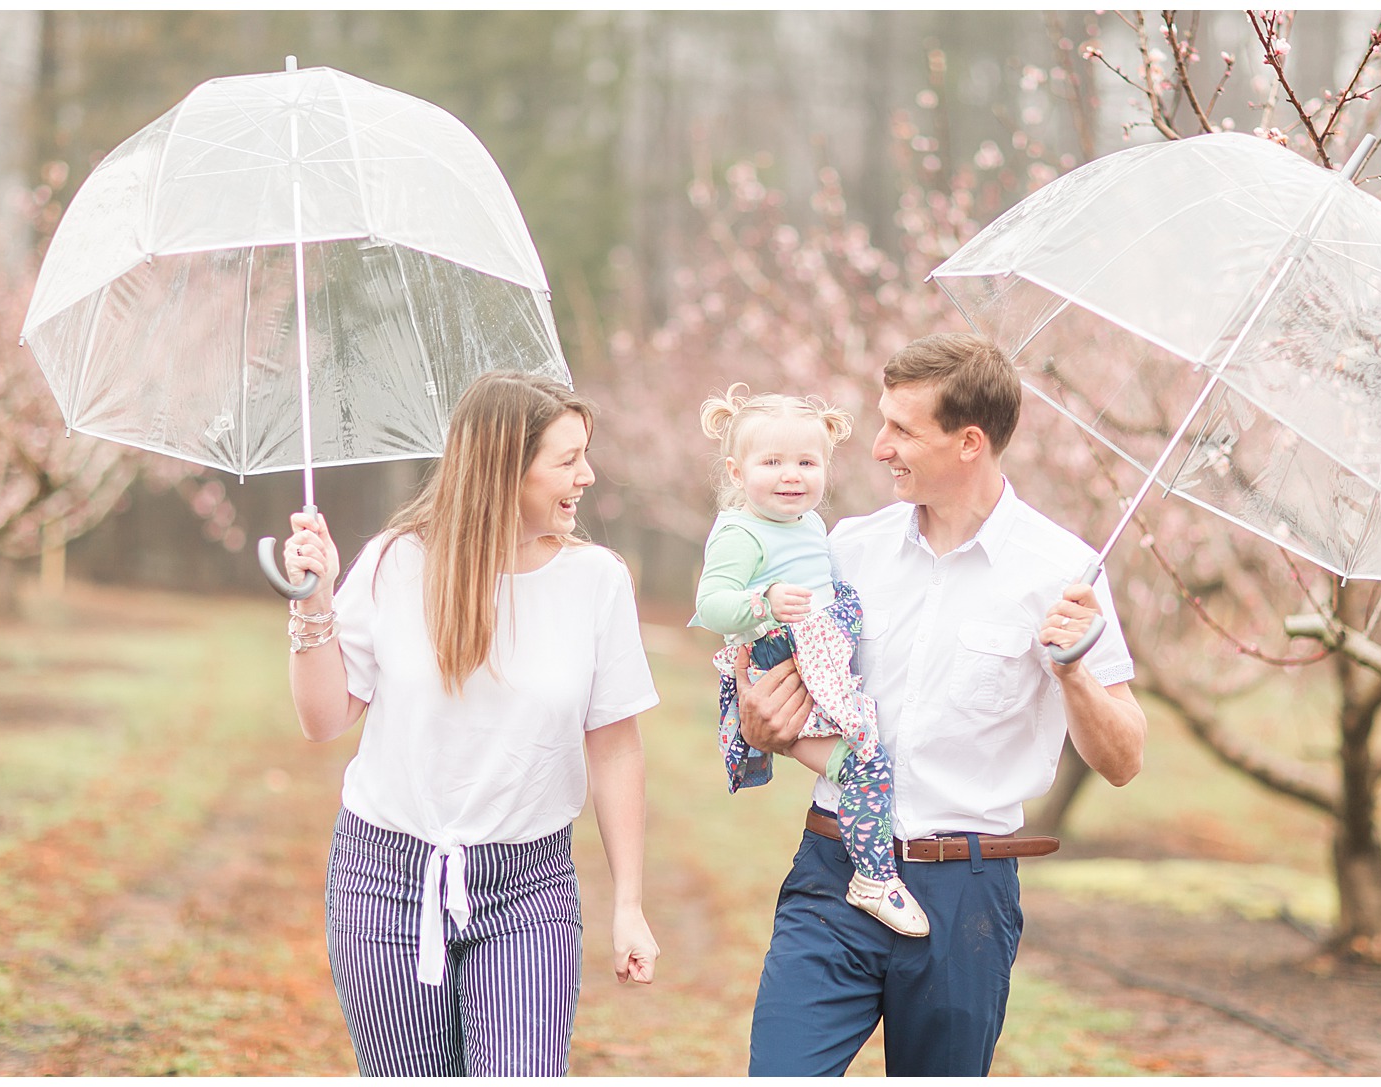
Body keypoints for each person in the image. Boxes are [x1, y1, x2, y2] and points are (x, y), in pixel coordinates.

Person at [736, 333, 1147, 1077]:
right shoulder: (848, 548)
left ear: (969, 442)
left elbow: (1124, 759)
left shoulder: (1062, 573)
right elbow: (779, 687)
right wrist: (759, 723)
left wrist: (1076, 673)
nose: (878, 446)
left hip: (967, 898)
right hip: (834, 870)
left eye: (901, 429)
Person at [280, 370, 661, 1077]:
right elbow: (323, 717)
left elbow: (615, 749)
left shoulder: (596, 581)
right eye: (567, 458)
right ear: (503, 467)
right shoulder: (398, 562)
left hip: (527, 887)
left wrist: (629, 904)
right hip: (384, 877)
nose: (588, 474)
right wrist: (314, 601)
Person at [692, 384, 928, 938]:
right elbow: (709, 604)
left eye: (806, 461)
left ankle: (871, 860)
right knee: (865, 763)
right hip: (785, 652)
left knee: (863, 761)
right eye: (771, 462)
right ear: (735, 471)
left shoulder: (814, 527)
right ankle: (873, 875)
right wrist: (763, 600)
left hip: (817, 649)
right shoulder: (739, 531)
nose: (791, 474)